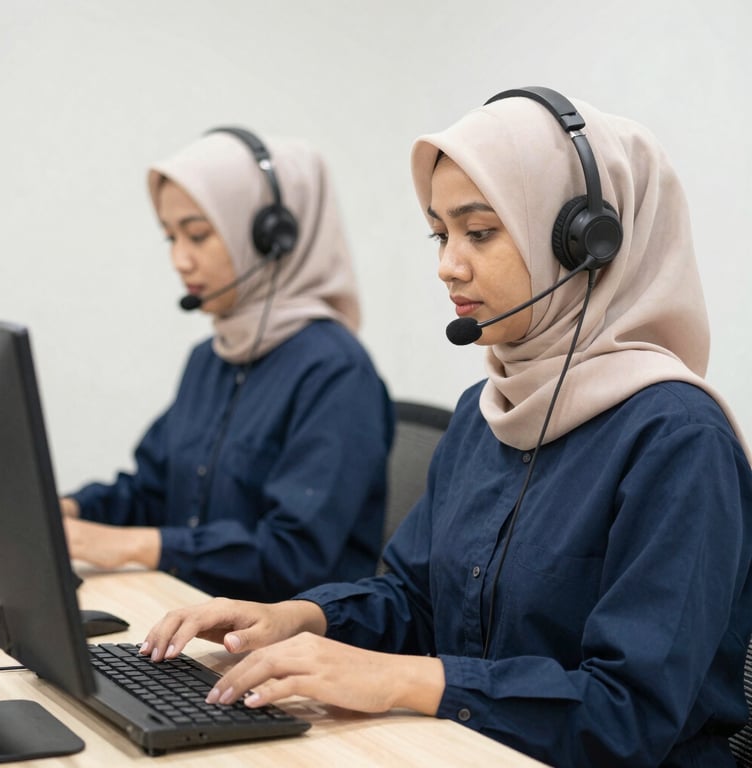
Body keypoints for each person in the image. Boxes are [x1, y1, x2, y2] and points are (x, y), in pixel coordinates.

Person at [140, 89, 752, 767]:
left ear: (587, 244)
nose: (448, 265)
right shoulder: (486, 410)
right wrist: (300, 616)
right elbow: (415, 599)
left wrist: (404, 679)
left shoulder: (677, 440)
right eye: (440, 233)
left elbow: (628, 714)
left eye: (479, 231)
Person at [61, 128, 394, 601]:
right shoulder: (210, 358)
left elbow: (292, 557)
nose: (180, 259)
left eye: (197, 235)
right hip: (186, 611)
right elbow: (152, 491)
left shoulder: (337, 372)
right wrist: (68, 511)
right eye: (170, 238)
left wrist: (135, 545)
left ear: (270, 238)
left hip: (288, 649)